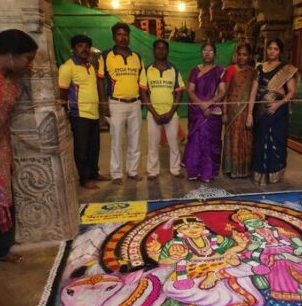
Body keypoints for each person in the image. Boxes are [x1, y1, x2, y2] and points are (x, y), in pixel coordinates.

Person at [150, 216, 264, 306]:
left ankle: (216, 275)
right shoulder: (174, 244)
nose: (192, 229)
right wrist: (158, 253)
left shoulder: (217, 239)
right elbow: (164, 262)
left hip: (222, 266)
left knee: (248, 267)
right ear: (179, 231)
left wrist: (240, 244)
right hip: (194, 272)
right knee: (170, 288)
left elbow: (233, 250)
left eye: (196, 226)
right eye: (185, 228)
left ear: (203, 227)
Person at [0, 29, 38, 262]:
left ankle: (0, 247)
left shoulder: (10, 79)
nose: (30, 65)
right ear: (12, 55)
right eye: (28, 59)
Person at [232, 209, 302, 300]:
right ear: (244, 225)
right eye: (249, 223)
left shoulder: (277, 230)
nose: (254, 224)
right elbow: (247, 248)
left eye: (255, 221)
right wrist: (255, 244)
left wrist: (300, 247)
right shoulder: (247, 235)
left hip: (288, 249)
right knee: (282, 263)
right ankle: (296, 290)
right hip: (266, 254)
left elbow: (293, 237)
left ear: (262, 220)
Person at [97, 22, 147, 186]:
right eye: (119, 34)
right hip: (116, 103)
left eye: (125, 34)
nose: (123, 38)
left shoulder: (137, 57)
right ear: (114, 37)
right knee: (116, 140)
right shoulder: (105, 56)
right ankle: (116, 173)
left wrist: (142, 101)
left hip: (135, 104)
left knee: (135, 139)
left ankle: (132, 171)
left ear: (129, 36)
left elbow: (142, 82)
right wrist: (103, 103)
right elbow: (101, 80)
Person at [59, 34, 110, 190]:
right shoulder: (67, 67)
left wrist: (101, 106)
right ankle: (84, 178)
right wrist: (66, 112)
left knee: (94, 146)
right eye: (80, 46)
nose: (84, 49)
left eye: (87, 46)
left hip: (93, 113)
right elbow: (62, 93)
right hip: (79, 114)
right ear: (74, 49)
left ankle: (94, 173)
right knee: (82, 148)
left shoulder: (90, 66)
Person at [247, 38, 298, 185]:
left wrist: (278, 104)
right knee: (260, 142)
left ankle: (275, 175)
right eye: (270, 48)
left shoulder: (287, 69)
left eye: (275, 49)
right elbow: (253, 92)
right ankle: (260, 175)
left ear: (280, 52)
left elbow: (291, 92)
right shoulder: (259, 68)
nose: (272, 51)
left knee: (276, 141)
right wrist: (250, 114)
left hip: (278, 113)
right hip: (261, 113)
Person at [183, 43, 226, 183]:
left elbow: (223, 91)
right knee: (196, 141)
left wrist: (209, 103)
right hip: (197, 111)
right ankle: (195, 171)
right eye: (205, 51)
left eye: (211, 51)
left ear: (215, 54)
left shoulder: (220, 70)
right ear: (201, 53)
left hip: (213, 111)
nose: (208, 53)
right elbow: (190, 90)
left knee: (212, 141)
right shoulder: (195, 71)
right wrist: (202, 105)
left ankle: (210, 172)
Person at [145, 40, 184, 180]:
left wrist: (171, 112)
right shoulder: (147, 69)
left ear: (167, 51)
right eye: (158, 48)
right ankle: (153, 171)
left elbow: (179, 92)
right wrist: (154, 113)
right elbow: (143, 92)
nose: (161, 51)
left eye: (164, 49)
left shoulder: (174, 70)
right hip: (153, 114)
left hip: (171, 114)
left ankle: (175, 169)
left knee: (174, 143)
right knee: (152, 144)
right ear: (153, 51)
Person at [222, 44, 255, 178]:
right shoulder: (230, 70)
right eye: (240, 54)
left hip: (246, 110)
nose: (242, 57)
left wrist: (250, 114)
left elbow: (253, 93)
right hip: (232, 110)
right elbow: (225, 92)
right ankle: (232, 169)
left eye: (245, 54)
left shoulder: (253, 72)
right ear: (236, 55)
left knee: (246, 138)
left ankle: (244, 169)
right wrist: (224, 112)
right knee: (233, 138)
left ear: (249, 56)